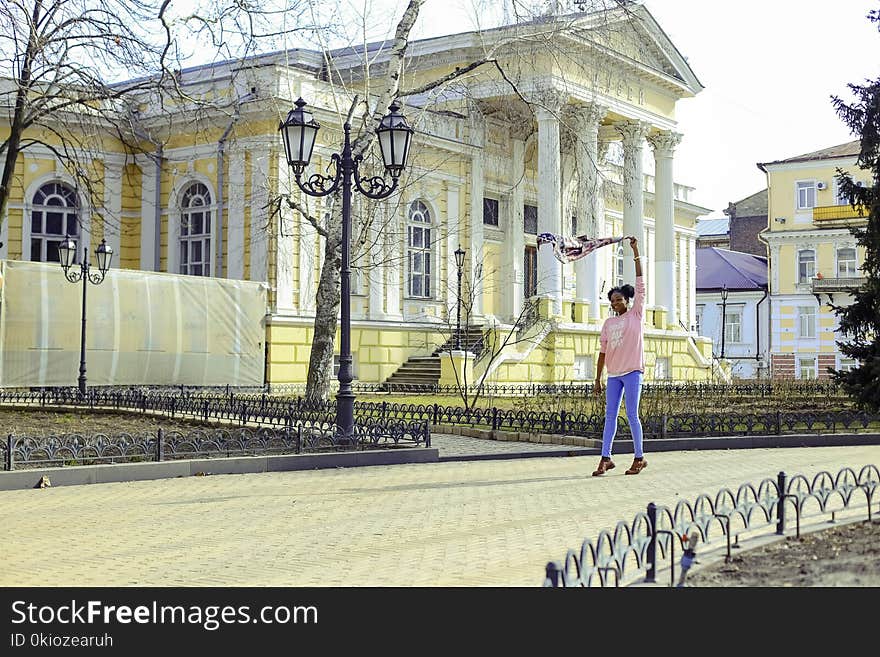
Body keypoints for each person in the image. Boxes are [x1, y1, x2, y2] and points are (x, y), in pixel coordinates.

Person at [592, 235, 647, 476]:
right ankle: (606, 458)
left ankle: (639, 457)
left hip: (633, 371)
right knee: (610, 416)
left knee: (632, 414)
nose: (616, 303)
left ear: (627, 300)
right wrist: (597, 378)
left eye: (619, 300)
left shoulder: (636, 314)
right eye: (613, 301)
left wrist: (635, 252)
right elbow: (602, 353)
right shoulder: (607, 323)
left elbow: (641, 282)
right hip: (614, 375)